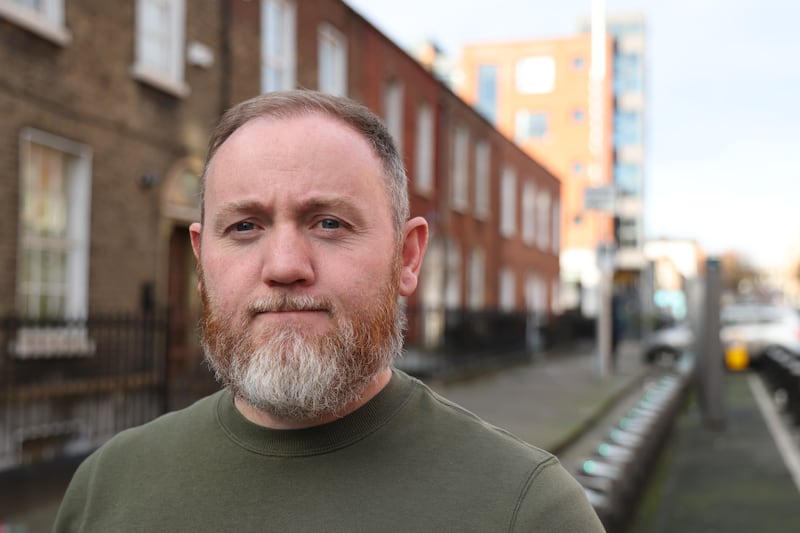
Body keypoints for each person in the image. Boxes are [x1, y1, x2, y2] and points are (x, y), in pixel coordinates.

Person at [54, 90, 604, 532]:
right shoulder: (107, 486)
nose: (286, 266)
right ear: (201, 262)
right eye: (244, 226)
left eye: (329, 223)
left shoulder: (527, 509)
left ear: (407, 257)